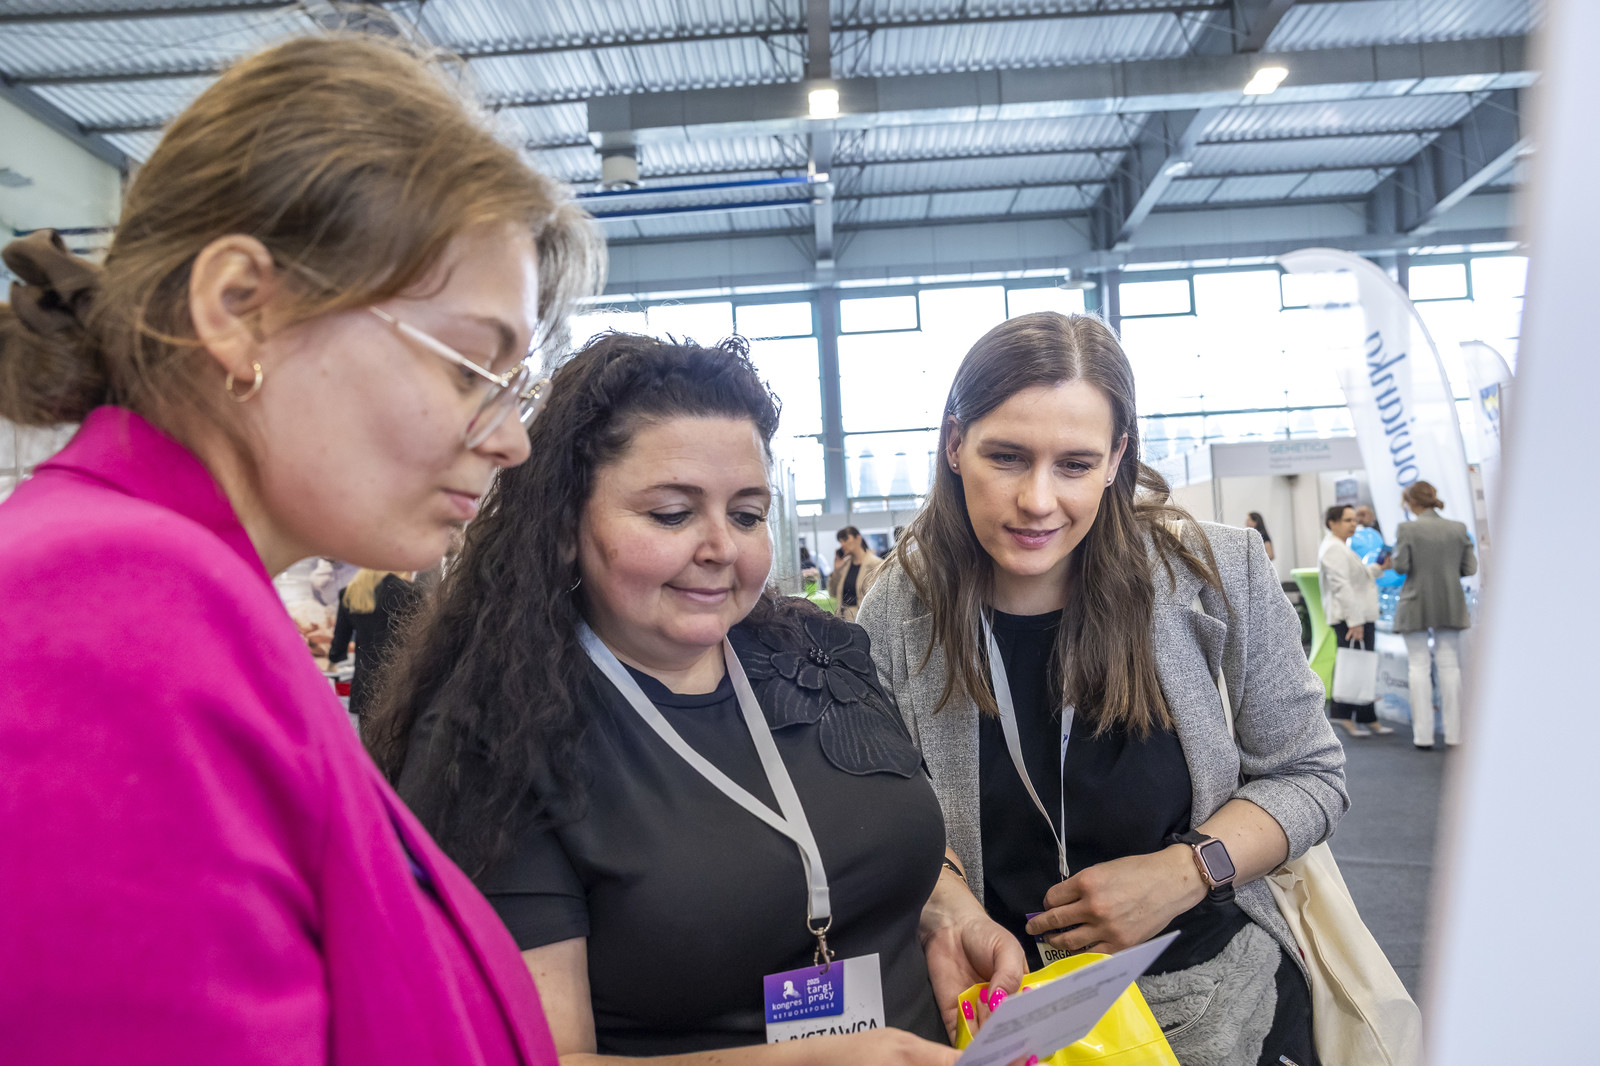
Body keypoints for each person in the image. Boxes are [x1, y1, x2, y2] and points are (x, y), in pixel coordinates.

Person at [0, 32, 602, 1064]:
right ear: (241, 311)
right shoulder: (106, 610)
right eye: (470, 370)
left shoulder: (179, 590)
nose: (512, 439)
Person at [369, 334, 1021, 1065]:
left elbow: (875, 825)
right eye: (672, 514)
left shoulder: (815, 651)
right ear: (564, 525)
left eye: (746, 515)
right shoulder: (496, 739)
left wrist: (947, 910)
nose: (721, 548)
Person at [859, 313, 1348, 1066]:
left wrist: (1186, 871)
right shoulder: (900, 608)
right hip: (1007, 1021)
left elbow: (1310, 773)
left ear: (1117, 457)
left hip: (1217, 999)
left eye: (1075, 464)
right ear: (954, 445)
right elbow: (889, 811)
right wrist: (947, 901)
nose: (1037, 500)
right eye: (1007, 457)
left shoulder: (1213, 576)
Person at [1390, 481, 1477, 750]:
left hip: (1415, 602)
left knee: (1418, 666)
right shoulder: (1458, 528)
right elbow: (1470, 568)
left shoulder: (1407, 529)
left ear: (1411, 502)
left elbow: (1400, 566)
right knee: (1450, 665)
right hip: (1450, 602)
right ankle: (1455, 735)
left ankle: (1423, 737)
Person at [1318, 505, 1393, 738]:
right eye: (1347, 520)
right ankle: (1343, 714)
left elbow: (1356, 577)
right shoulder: (1333, 548)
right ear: (1332, 523)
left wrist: (1377, 568)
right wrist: (1355, 622)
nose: (1353, 524)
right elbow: (1342, 586)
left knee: (1362, 666)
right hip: (1350, 617)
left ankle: (1365, 716)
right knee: (1353, 666)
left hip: (1357, 615)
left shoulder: (1341, 547)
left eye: (1354, 520)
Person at [329, 568, 422, 718]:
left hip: (364, 683)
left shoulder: (350, 593)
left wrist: (334, 659)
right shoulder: (407, 592)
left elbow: (340, 642)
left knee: (366, 731)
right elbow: (421, 638)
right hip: (398, 681)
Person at [827, 524, 884, 621]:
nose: (842, 545)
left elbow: (880, 598)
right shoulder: (844, 565)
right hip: (843, 619)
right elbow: (832, 593)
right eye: (840, 542)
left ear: (858, 538)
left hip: (864, 619)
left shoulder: (875, 564)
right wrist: (836, 570)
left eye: (845, 540)